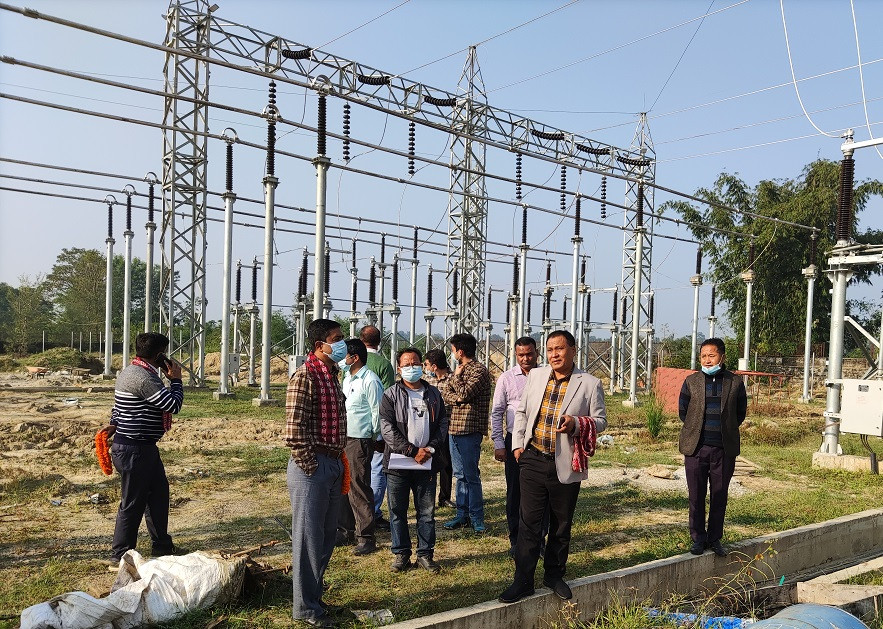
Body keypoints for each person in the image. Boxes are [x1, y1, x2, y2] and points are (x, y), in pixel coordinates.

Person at [499, 330, 607, 604]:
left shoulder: (590, 383)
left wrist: (577, 423)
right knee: (529, 523)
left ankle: (554, 574)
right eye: (550, 350)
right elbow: (522, 411)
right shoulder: (536, 376)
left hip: (566, 462)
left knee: (561, 524)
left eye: (559, 349)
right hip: (533, 458)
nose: (554, 354)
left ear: (573, 350)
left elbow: (601, 421)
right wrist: (518, 446)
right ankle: (523, 581)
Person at [100, 332, 184, 564]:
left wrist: (114, 424)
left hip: (142, 448)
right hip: (135, 449)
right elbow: (172, 404)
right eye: (164, 354)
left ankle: (162, 546)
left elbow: (119, 407)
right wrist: (176, 380)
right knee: (133, 503)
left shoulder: (128, 372)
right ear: (158, 356)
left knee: (158, 495)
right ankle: (120, 555)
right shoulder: (145, 378)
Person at [285, 319, 348, 627]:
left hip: (333, 464)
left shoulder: (331, 376)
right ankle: (306, 609)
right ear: (319, 345)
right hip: (313, 467)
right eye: (337, 339)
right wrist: (312, 466)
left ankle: (314, 598)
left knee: (324, 539)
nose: (342, 344)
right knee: (309, 539)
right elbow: (294, 431)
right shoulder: (305, 376)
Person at [380, 347, 449, 573]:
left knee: (427, 512)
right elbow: (387, 429)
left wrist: (429, 448)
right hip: (399, 464)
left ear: (423, 365)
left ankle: (425, 554)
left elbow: (442, 424)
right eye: (407, 364)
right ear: (399, 368)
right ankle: (401, 553)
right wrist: (411, 451)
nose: (412, 368)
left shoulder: (433, 394)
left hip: (426, 463)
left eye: (416, 363)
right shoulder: (391, 394)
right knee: (397, 512)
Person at [678, 337, 747, 558]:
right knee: (696, 495)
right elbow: (683, 411)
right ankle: (698, 539)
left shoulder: (734, 383)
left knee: (719, 495)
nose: (707, 360)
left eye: (712, 355)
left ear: (722, 357)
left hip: (723, 450)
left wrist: (724, 430)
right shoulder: (691, 381)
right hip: (696, 449)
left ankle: (715, 538)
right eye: (703, 356)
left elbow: (740, 413)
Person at [438, 333, 492, 533]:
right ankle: (462, 515)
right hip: (455, 428)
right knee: (459, 475)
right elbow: (446, 393)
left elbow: (463, 394)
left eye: (452, 350)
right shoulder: (458, 370)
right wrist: (456, 391)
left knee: (471, 475)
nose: (452, 354)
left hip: (470, 429)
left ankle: (477, 517)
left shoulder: (479, 371)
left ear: (460, 352)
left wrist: (458, 378)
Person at [491, 336, 540, 552]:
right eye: (521, 355)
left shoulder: (546, 375)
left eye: (529, 354)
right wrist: (499, 443)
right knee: (515, 491)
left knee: (541, 492)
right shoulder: (507, 378)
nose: (525, 358)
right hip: (515, 440)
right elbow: (497, 412)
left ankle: (538, 539)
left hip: (541, 440)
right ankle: (516, 540)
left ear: (536, 353)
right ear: (515, 355)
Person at [341, 338, 384, 556]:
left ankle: (366, 537)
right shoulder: (348, 379)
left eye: (344, 355)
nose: (341, 359)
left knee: (359, 487)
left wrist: (375, 437)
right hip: (345, 438)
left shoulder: (370, 380)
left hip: (360, 440)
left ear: (354, 358)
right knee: (345, 487)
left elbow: (378, 412)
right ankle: (350, 529)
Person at [360, 325, 394, 532]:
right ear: (379, 341)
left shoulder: (352, 362)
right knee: (377, 468)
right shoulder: (383, 364)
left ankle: (360, 511)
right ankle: (373, 512)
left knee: (358, 470)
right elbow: (389, 396)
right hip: (378, 422)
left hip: (356, 424)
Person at [423, 348, 455, 509]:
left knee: (446, 463)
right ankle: (426, 497)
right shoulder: (427, 381)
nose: (425, 368)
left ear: (434, 366)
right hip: (429, 427)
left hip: (448, 426)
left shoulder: (453, 379)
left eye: (427, 364)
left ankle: (444, 496)